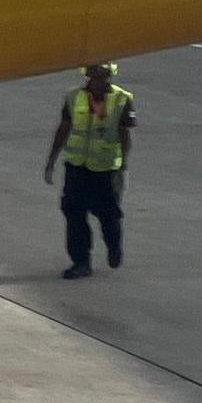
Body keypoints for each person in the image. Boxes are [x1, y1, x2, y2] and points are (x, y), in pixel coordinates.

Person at [42, 61, 134, 279]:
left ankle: (113, 245)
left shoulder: (122, 99)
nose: (97, 82)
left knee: (108, 215)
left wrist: (123, 165)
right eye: (93, 77)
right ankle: (81, 261)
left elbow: (125, 135)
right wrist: (51, 160)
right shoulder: (74, 97)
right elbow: (64, 128)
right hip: (77, 166)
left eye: (101, 77)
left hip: (105, 168)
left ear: (109, 77)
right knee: (73, 212)